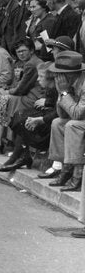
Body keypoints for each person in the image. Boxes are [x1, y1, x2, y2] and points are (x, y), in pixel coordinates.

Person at [46, 50, 85, 192]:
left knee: (72, 125)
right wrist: (61, 93)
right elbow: (62, 114)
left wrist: (64, 93)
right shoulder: (70, 83)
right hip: (81, 120)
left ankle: (78, 174)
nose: (58, 76)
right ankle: (65, 169)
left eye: (60, 73)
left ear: (70, 73)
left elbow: (77, 114)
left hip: (80, 120)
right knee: (58, 123)